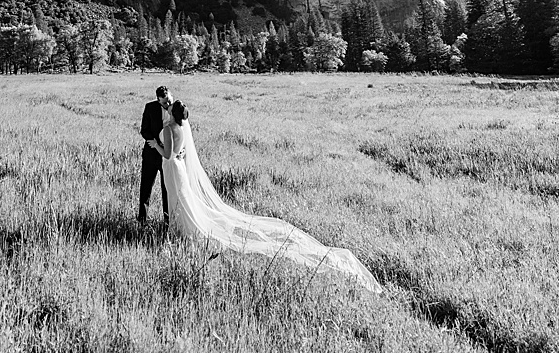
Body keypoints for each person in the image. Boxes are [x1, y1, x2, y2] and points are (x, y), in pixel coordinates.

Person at [147, 86, 385, 292]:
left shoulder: (168, 129)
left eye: (168, 104)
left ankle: (183, 232)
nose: (165, 106)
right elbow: (180, 150)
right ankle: (180, 230)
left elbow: (167, 153)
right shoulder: (181, 127)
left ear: (170, 110)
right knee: (182, 199)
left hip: (172, 166)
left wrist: (155, 145)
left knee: (179, 199)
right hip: (178, 166)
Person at [138, 86, 184, 224]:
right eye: (164, 103)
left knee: (167, 190)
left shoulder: (177, 109)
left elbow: (181, 132)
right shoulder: (150, 107)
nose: (168, 104)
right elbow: (144, 130)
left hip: (168, 159)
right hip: (151, 155)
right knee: (146, 188)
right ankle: (142, 220)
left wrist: (178, 149)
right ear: (158, 100)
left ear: (171, 95)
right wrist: (157, 143)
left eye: (169, 100)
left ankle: (167, 220)